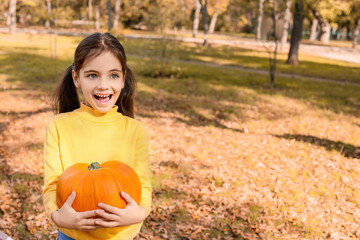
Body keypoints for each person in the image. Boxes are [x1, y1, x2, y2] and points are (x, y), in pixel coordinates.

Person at [43, 32, 152, 240]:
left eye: (113, 75)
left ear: (123, 80)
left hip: (119, 236)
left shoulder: (135, 130)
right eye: (92, 75)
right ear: (76, 78)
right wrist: (57, 216)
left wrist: (139, 212)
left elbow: (143, 184)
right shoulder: (58, 126)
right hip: (73, 235)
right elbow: (53, 183)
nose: (103, 85)